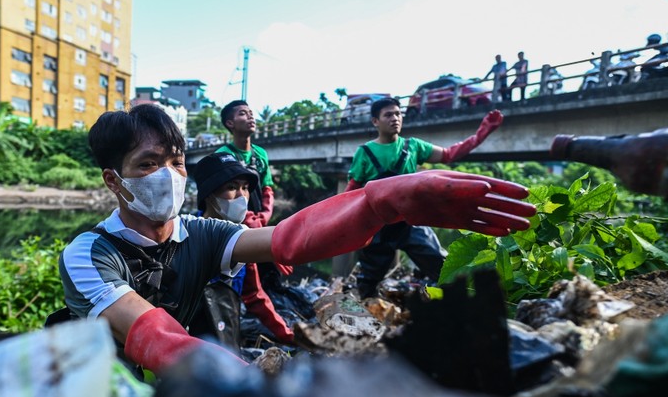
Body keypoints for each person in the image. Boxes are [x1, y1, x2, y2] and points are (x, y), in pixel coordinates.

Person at [58, 104, 536, 375]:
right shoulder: (89, 253)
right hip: (101, 389)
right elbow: (155, 335)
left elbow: (290, 240)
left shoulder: (201, 232)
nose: (168, 175)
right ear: (113, 180)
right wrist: (250, 381)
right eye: (147, 164)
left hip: (174, 383)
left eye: (177, 161)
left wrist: (377, 203)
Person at [346, 97, 505, 299]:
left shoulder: (413, 146)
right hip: (378, 228)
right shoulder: (365, 152)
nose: (395, 118)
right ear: (375, 121)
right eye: (388, 115)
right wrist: (346, 225)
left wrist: (481, 135)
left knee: (441, 266)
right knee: (369, 279)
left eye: (398, 113)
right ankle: (364, 316)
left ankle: (457, 307)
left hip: (410, 222)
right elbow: (351, 190)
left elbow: (448, 154)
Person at [194, 152, 294, 343]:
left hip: (225, 336)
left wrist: (287, 334)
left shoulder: (242, 238)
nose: (242, 196)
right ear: (209, 194)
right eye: (231, 188)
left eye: (245, 188)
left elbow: (254, 295)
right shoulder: (186, 236)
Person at [216, 100, 274, 218]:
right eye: (243, 113)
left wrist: (264, 216)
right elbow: (221, 196)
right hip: (230, 222)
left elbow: (266, 189)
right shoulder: (222, 155)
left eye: (251, 113)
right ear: (230, 123)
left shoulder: (261, 153)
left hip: (258, 221)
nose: (250, 117)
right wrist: (246, 218)